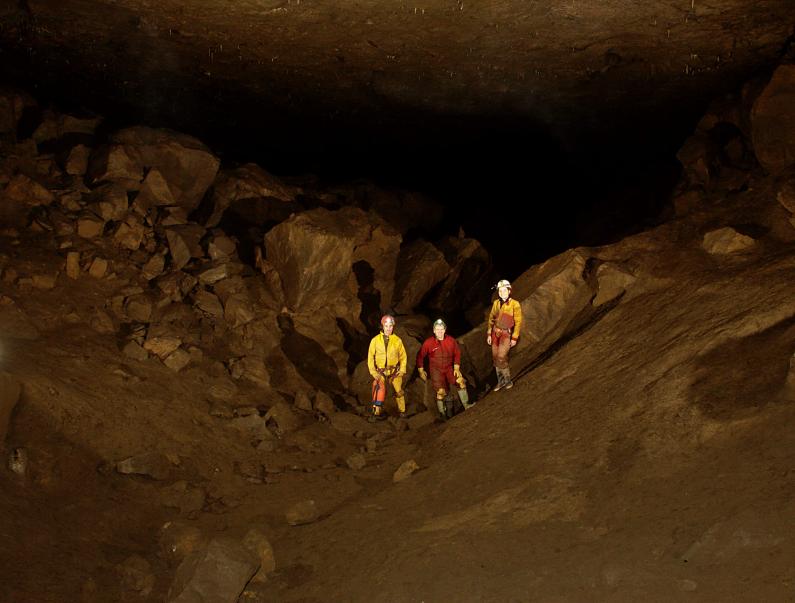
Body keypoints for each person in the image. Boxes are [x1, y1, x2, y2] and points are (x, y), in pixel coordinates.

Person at [416, 318, 472, 420]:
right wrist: (420, 369)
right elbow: (420, 356)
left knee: (460, 382)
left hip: (449, 367)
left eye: (441, 329)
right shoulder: (429, 343)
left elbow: (457, 353)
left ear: (445, 329)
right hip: (436, 370)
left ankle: (466, 405)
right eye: (437, 329)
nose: (440, 332)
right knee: (441, 392)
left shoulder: (451, 341)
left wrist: (456, 367)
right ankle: (442, 414)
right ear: (434, 330)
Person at [367, 314, 407, 421]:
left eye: (390, 326)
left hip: (394, 371)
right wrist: (373, 372)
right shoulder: (375, 341)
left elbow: (403, 356)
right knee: (378, 387)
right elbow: (370, 357)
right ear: (382, 326)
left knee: (398, 390)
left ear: (393, 327)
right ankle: (376, 413)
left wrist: (402, 370)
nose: (388, 328)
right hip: (381, 371)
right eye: (386, 326)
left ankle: (402, 411)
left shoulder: (397, 341)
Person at [487, 279, 522, 391]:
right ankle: (501, 381)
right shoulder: (496, 303)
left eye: (504, 290)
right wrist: (489, 334)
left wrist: (515, 337)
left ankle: (507, 380)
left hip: (506, 334)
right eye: (500, 291)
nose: (502, 293)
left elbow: (518, 321)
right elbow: (491, 318)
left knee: (501, 356)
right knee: (495, 357)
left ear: (509, 291)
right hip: (495, 333)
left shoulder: (514, 304)